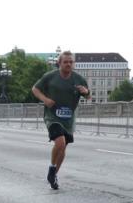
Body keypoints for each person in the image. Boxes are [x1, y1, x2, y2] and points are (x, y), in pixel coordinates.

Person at [31, 50, 89, 190]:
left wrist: (85, 92)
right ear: (59, 63)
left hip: (68, 119)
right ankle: (52, 167)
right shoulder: (50, 76)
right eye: (65, 62)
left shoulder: (78, 79)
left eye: (71, 62)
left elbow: (88, 95)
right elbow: (35, 89)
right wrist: (45, 99)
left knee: (63, 148)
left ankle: (54, 175)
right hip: (52, 116)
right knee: (60, 142)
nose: (68, 64)